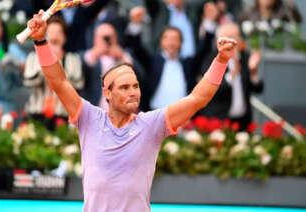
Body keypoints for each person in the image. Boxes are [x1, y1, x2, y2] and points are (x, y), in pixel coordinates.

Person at [27, 10, 236, 212]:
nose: (133, 92)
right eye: (124, 88)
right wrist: (40, 41)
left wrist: (221, 61)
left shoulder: (152, 124)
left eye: (135, 86)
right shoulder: (89, 117)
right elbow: (59, 81)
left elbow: (197, 98)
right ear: (107, 93)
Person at [198, 23, 264, 130]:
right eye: (227, 37)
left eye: (234, 36)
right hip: (219, 121)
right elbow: (210, 91)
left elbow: (258, 89)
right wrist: (232, 75)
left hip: (242, 122)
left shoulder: (245, 57)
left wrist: (253, 71)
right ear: (218, 40)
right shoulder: (210, 59)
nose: (231, 41)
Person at [23, 15, 84, 130]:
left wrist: (57, 62)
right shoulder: (33, 57)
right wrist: (47, 59)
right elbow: (28, 81)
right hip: (36, 112)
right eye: (51, 31)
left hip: (63, 115)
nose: (55, 35)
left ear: (64, 38)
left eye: (59, 32)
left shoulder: (73, 59)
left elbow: (79, 84)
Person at [82, 23, 134, 108]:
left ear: (116, 38)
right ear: (95, 38)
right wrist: (95, 54)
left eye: (110, 37)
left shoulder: (123, 55)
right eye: (103, 37)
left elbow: (139, 75)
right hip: (96, 109)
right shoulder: (89, 56)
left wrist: (122, 57)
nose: (107, 40)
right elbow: (81, 70)